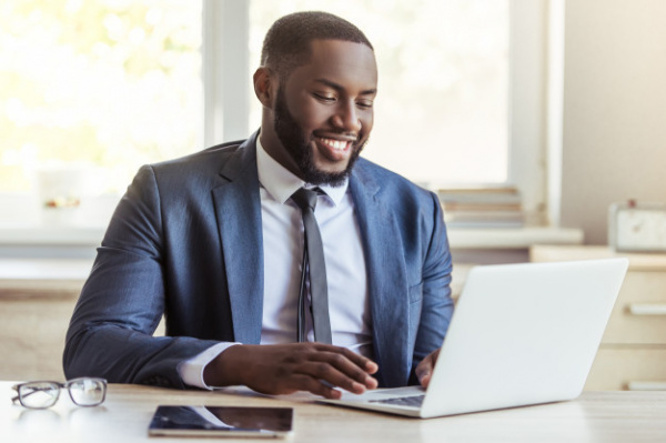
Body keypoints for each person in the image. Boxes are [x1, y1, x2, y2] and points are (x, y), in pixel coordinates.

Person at [63, 11, 454, 400]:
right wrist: (238, 363)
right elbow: (92, 347)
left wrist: (444, 367)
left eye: (365, 102)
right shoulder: (169, 196)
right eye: (326, 97)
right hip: (236, 428)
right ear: (266, 87)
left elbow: (428, 372)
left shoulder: (417, 212)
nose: (349, 121)